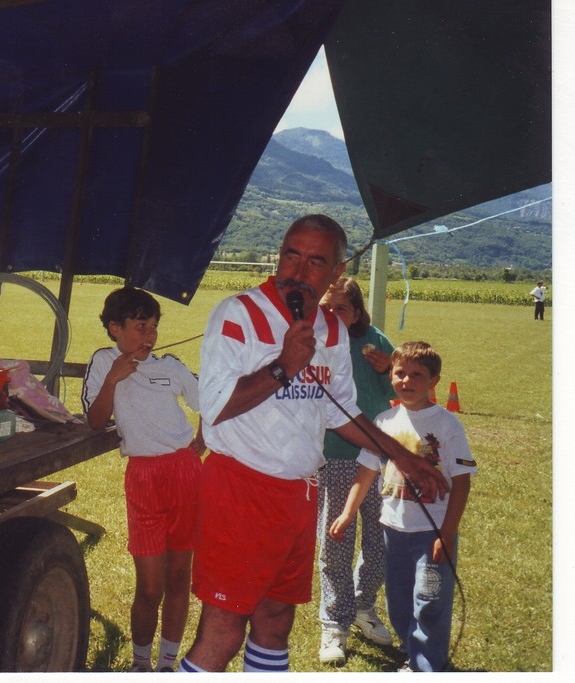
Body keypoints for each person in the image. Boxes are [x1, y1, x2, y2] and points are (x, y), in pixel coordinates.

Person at [179, 215, 448, 673]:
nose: (297, 271)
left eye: (315, 261)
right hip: (241, 489)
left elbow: (341, 412)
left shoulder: (333, 328)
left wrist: (403, 458)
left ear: (336, 270)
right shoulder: (237, 313)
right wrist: (284, 364)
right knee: (223, 630)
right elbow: (217, 406)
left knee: (277, 621)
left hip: (299, 492)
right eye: (290, 255)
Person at [330, 341, 475, 672]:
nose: (406, 381)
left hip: (431, 533)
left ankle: (427, 666)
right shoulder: (383, 421)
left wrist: (446, 534)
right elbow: (367, 471)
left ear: (434, 381)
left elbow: (462, 483)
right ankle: (414, 654)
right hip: (392, 531)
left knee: (429, 601)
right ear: (390, 375)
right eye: (400, 373)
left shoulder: (447, 424)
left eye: (417, 375)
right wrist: (348, 511)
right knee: (398, 601)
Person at [82, 285, 206, 672]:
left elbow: (210, 404)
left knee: (178, 577)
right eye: (140, 326)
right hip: (144, 476)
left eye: (153, 327)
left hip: (185, 472)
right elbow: (95, 420)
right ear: (115, 328)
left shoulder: (169, 365)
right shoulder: (104, 362)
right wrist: (113, 379)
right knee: (150, 586)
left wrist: (198, 445)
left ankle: (167, 665)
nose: (149, 336)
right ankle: (140, 664)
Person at [315, 277, 397, 664]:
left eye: (341, 309)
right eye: (326, 308)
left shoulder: (375, 341)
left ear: (358, 313)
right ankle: (335, 622)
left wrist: (388, 367)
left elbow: (412, 386)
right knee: (336, 541)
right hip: (334, 454)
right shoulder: (313, 339)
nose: (331, 316)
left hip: (379, 457)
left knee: (380, 540)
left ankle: (365, 606)